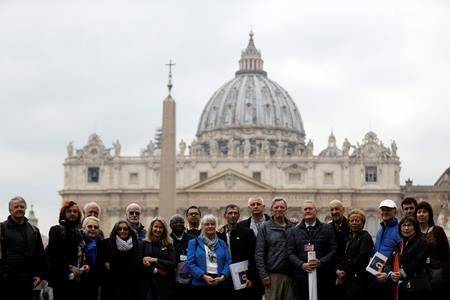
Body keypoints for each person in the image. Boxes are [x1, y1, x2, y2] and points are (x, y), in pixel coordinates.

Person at [288, 200, 337, 300]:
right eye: (305, 209)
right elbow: (290, 252)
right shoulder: (294, 231)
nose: (308, 211)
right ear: (302, 213)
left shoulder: (327, 228)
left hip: (323, 277)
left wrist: (321, 261)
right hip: (301, 278)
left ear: (316, 211)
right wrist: (301, 264)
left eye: (310, 209)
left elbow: (333, 249)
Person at [0, 196, 45, 300]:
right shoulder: (1, 228)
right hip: (5, 281)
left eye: (22, 206)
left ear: (25, 209)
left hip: (27, 281)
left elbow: (40, 255)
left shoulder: (34, 230)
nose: (19, 208)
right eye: (16, 207)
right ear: (10, 210)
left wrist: (39, 275)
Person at [377, 216, 429, 300]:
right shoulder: (399, 244)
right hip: (400, 287)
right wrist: (390, 273)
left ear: (415, 227)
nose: (406, 228)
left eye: (409, 225)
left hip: (416, 287)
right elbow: (389, 263)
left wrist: (401, 273)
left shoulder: (421, 242)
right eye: (404, 225)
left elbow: (419, 262)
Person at [255, 197, 294, 300]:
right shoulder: (265, 227)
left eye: (282, 207)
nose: (279, 209)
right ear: (271, 210)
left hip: (291, 275)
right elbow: (259, 253)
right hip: (272, 276)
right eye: (276, 207)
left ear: (286, 209)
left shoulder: (292, 227)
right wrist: (263, 275)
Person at [218, 204, 259, 300]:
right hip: (224, 276)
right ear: (225, 216)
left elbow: (253, 256)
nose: (233, 215)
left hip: (243, 275)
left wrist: (251, 277)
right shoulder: (220, 233)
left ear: (239, 215)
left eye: (235, 213)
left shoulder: (248, 232)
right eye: (230, 213)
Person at [46, 200, 85, 300]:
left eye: (75, 211)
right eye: (69, 211)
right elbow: (54, 254)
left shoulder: (79, 233)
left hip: (77, 280)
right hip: (60, 280)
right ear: (64, 214)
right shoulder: (56, 230)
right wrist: (70, 267)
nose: (72, 213)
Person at [187, 214, 231, 300]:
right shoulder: (193, 243)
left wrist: (223, 277)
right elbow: (190, 263)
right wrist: (203, 276)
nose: (210, 226)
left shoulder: (222, 243)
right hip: (200, 283)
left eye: (212, 224)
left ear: (216, 226)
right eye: (207, 224)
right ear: (202, 226)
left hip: (220, 282)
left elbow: (228, 261)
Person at [335, 209, 374, 300]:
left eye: (357, 220)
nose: (354, 223)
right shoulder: (348, 237)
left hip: (359, 278)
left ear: (363, 223)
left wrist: (344, 271)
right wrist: (337, 269)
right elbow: (343, 256)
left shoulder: (366, 237)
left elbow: (361, 257)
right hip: (347, 278)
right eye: (351, 221)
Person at [369, 199, 402, 300]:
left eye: (388, 209)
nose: (385, 212)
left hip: (389, 275)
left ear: (395, 211)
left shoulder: (399, 229)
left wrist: (389, 273)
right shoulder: (380, 229)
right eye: (383, 209)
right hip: (376, 271)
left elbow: (400, 254)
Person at [415, 201, 450, 295]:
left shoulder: (438, 230)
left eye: (424, 211)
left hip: (436, 273)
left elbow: (446, 253)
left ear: (430, 215)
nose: (421, 214)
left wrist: (446, 272)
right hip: (418, 274)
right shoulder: (413, 232)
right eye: (419, 212)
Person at [139, 217, 176, 300]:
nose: (158, 229)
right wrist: (156, 270)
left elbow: (172, 263)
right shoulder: (144, 243)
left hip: (164, 285)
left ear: (164, 229)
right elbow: (139, 263)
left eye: (161, 227)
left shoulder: (169, 244)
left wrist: (155, 260)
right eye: (156, 227)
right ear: (151, 228)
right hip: (148, 284)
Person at [103, 220, 140, 300]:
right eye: (119, 229)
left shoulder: (137, 244)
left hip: (132, 287)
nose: (122, 231)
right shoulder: (107, 243)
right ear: (116, 231)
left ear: (129, 230)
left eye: (125, 229)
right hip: (113, 287)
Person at [169, 214, 195, 300]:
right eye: (175, 222)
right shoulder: (167, 239)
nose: (178, 224)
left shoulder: (193, 239)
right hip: (172, 278)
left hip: (190, 277)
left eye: (181, 222)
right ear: (170, 225)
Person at [80, 216, 105, 300]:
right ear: (83, 228)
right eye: (90, 226)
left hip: (96, 283)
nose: (93, 229)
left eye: (96, 227)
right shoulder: (78, 242)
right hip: (80, 282)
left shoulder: (102, 244)